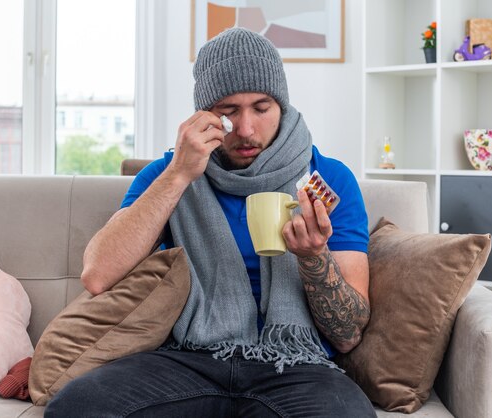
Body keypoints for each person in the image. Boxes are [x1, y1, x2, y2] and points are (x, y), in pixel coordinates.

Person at [45, 27, 375, 418]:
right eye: (229, 111)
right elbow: (97, 274)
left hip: (297, 366)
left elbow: (348, 334)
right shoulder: (168, 174)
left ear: (281, 106)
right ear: (204, 114)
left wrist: (314, 258)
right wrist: (179, 174)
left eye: (261, 107)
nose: (247, 129)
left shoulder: (329, 178)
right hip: (190, 357)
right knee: (75, 407)